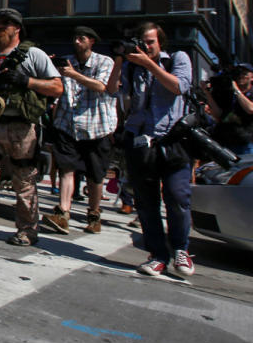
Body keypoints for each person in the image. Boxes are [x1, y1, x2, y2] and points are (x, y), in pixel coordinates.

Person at [0, 8, 63, 247]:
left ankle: (28, 231)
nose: (0, 27)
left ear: (17, 28)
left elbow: (57, 87)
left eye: (6, 24)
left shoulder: (34, 55)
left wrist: (27, 81)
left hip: (23, 128)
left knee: (25, 181)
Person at [106, 22, 194, 277]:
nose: (145, 46)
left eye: (150, 42)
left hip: (172, 139)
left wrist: (149, 65)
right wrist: (121, 61)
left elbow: (179, 87)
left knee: (177, 198)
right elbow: (112, 90)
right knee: (146, 203)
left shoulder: (177, 59)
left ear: (160, 42)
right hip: (140, 141)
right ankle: (158, 255)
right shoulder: (132, 67)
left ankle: (180, 250)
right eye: (142, 42)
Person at [42, 26, 117, 234]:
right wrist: (49, 67)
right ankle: (63, 212)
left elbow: (101, 86)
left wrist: (73, 75)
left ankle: (94, 214)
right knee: (67, 168)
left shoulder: (104, 62)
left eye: (81, 38)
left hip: (96, 126)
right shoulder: (67, 62)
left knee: (96, 175)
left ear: (91, 41)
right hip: (68, 124)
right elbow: (55, 86)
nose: (76, 42)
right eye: (74, 38)